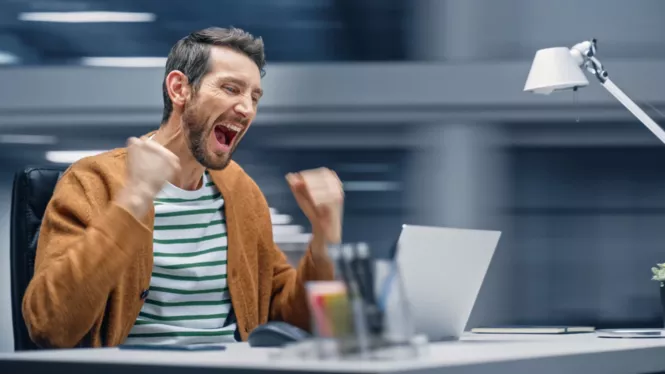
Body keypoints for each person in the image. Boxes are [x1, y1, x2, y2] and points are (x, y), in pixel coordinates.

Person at [22, 26, 343, 348]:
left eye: (254, 97)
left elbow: (300, 324)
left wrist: (325, 237)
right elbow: (50, 327)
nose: (247, 109)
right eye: (231, 89)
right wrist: (135, 199)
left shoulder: (241, 191)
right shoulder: (92, 181)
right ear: (179, 89)